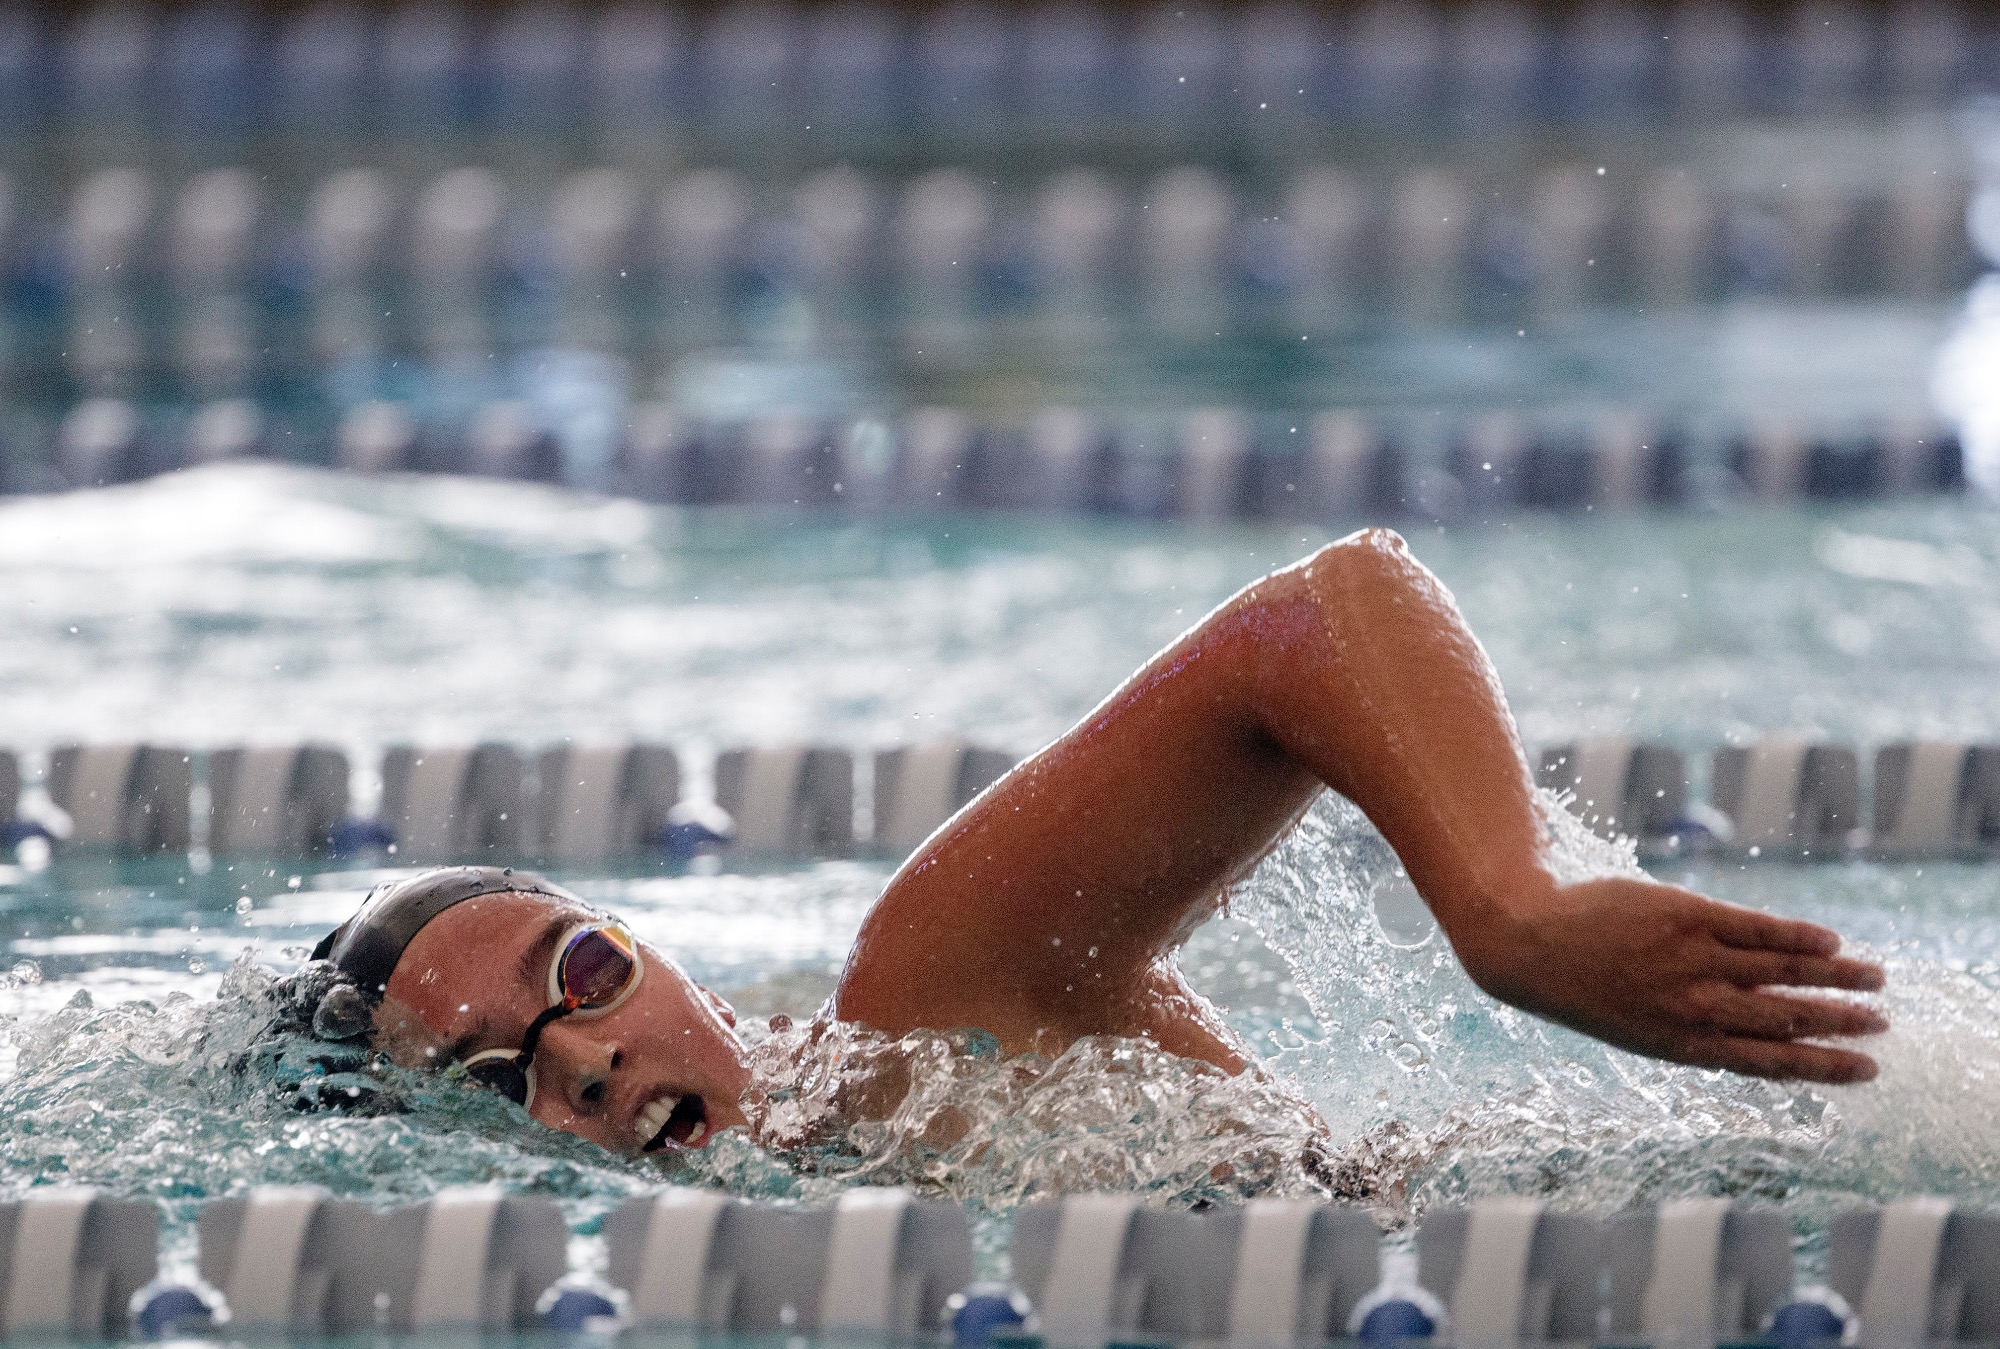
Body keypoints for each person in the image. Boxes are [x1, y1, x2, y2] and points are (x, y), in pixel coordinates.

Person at [314, 528, 1887, 1158]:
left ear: (672, 962)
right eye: (493, 1079)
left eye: (580, 973)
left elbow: (1321, 613)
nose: (577, 1062)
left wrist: (1507, 909)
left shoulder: (926, 992)